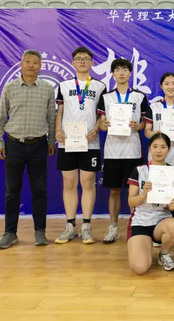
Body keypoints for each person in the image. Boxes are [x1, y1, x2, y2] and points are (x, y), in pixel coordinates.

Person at [0, 49, 57, 250]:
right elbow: (1, 117)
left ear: (40, 66)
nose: (31, 65)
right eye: (27, 62)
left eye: (35, 62)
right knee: (12, 191)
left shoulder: (47, 89)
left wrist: (51, 141)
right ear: (21, 64)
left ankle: (40, 231)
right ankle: (10, 233)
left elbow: (51, 118)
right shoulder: (10, 87)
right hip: (14, 145)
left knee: (40, 190)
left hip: (39, 145)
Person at [54, 47, 106, 245]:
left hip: (90, 142)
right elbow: (59, 111)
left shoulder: (100, 86)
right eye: (78, 58)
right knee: (69, 183)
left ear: (92, 62)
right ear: (73, 63)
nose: (82, 61)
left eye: (86, 58)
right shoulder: (64, 85)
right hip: (67, 142)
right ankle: (70, 226)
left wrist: (97, 128)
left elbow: (102, 115)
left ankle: (86, 226)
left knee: (88, 182)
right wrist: (58, 130)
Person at [97, 58, 149, 244]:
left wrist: (138, 125)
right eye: (117, 70)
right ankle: (113, 227)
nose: (121, 73)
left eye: (125, 69)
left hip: (133, 150)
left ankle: (137, 226)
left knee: (134, 192)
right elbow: (102, 124)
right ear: (113, 74)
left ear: (130, 73)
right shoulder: (106, 97)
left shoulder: (139, 97)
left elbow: (145, 124)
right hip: (112, 151)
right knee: (114, 191)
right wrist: (104, 125)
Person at [144, 72, 174, 247]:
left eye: (173, 83)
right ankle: (156, 232)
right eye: (167, 83)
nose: (170, 87)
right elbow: (147, 131)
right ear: (161, 86)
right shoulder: (154, 107)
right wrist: (155, 134)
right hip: (157, 158)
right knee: (156, 195)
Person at [126, 133, 174, 274]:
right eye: (155, 146)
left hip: (161, 221)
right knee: (140, 268)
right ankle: (144, 246)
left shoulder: (173, 172)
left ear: (168, 149)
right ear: (150, 148)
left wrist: (172, 206)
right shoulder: (139, 170)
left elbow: (170, 205)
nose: (158, 151)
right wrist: (143, 195)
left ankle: (164, 254)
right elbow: (131, 201)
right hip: (140, 221)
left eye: (163, 147)